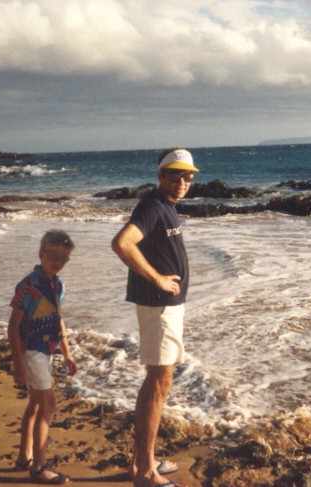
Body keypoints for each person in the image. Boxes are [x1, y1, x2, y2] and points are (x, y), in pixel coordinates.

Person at [111, 148, 198, 487]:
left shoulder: (166, 206)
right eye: (175, 176)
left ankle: (141, 463)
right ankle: (146, 472)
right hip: (159, 307)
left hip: (167, 307)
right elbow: (122, 243)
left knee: (161, 381)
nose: (182, 182)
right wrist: (158, 279)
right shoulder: (152, 205)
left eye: (187, 177)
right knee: (158, 383)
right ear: (161, 176)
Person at [8, 230, 78, 485]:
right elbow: (13, 327)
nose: (58, 261)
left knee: (36, 404)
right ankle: (39, 466)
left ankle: (24, 457)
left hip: (46, 350)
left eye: (63, 257)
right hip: (31, 350)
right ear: (41, 254)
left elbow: (58, 318)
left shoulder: (57, 284)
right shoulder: (28, 286)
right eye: (53, 255)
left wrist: (67, 353)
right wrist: (18, 365)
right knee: (48, 404)